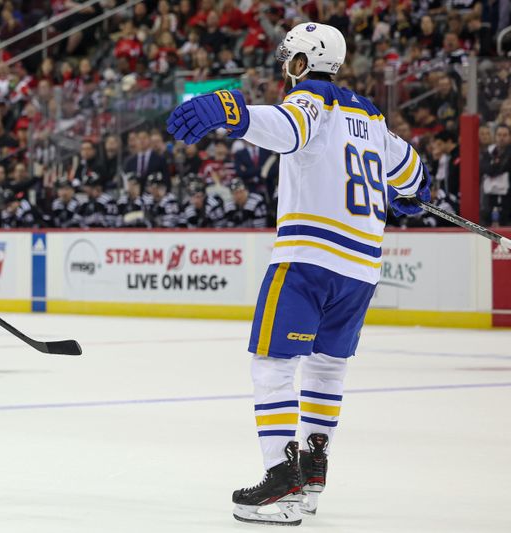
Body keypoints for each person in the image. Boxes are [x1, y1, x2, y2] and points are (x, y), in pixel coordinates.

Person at [167, 22, 430, 526]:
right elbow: (414, 177)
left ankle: (280, 483)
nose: (285, 69)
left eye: (289, 60)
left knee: (272, 364)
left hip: (309, 257)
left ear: (302, 63)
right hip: (362, 267)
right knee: (329, 368)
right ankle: (310, 474)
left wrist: (233, 113)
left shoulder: (311, 98)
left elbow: (289, 130)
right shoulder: (371, 116)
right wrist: (413, 195)